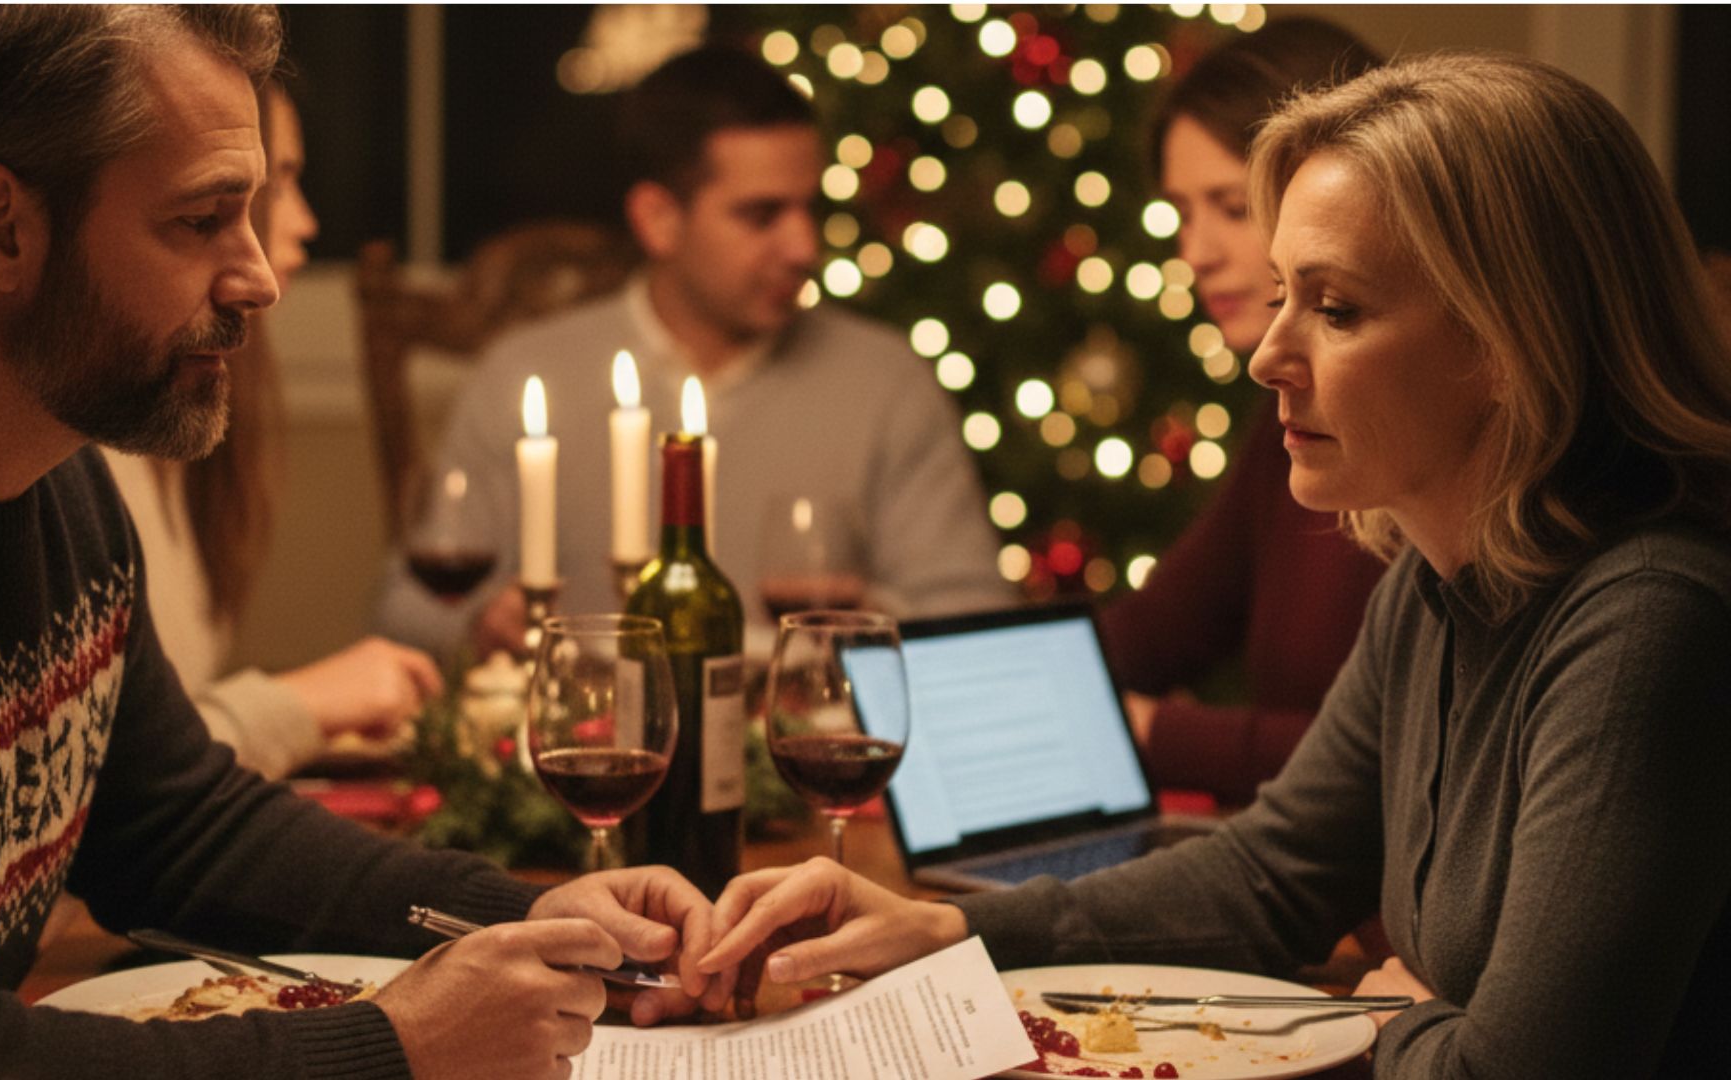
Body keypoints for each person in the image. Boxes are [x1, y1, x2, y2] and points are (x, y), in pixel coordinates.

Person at [698, 53, 1731, 1078]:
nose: (1265, 355)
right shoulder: (1435, 582)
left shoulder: (1645, 623)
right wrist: (947, 933)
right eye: (1283, 294)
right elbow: (1271, 872)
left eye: (1335, 309)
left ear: (1509, 342)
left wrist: (1385, 1026)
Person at [0, 8, 732, 1078]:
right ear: (0, 228)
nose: (261, 277)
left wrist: (529, 918)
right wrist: (393, 1050)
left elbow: (179, 828)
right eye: (202, 220)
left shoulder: (56, 477)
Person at [373, 44, 1009, 661]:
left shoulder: (883, 380)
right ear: (659, 220)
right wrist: (481, 623)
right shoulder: (529, 375)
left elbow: (976, 613)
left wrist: (868, 613)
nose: (803, 247)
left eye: (808, 209)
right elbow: (406, 606)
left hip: (801, 747)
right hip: (597, 747)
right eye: (762, 215)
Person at [104, 78, 440, 780]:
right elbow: (108, 785)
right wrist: (300, 704)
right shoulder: (86, 456)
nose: (306, 223)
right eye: (280, 184)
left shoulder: (190, 428)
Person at [1097, 18, 1387, 805]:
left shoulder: (1414, 433)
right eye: (1182, 213)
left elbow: (1391, 759)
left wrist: (1151, 731)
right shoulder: (1291, 418)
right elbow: (1155, 630)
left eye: (1230, 206)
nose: (1194, 251)